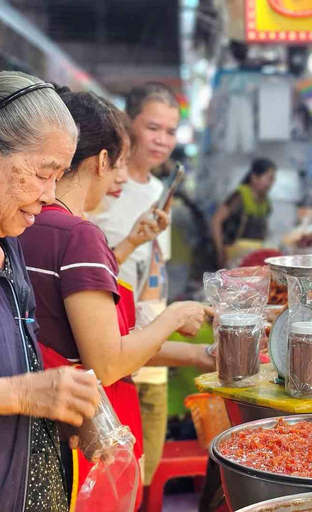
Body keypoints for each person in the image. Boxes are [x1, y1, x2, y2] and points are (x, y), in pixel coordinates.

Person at [19, 89, 214, 508]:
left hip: (40, 435)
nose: (120, 179)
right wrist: (176, 314)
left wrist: (197, 357)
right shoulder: (78, 235)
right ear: (101, 161)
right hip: (89, 438)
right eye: (119, 163)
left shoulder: (25, 224)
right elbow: (107, 361)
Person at [0, 71, 101, 512]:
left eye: (59, 175)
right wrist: (23, 395)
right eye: (43, 173)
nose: (50, 195)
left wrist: (59, 409)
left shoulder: (11, 247)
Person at [88, 81, 183, 488]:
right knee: (110, 482)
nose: (162, 141)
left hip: (150, 354)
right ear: (129, 123)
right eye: (153, 128)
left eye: (171, 131)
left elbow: (154, 272)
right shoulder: (104, 188)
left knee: (142, 476)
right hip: (107, 353)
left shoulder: (163, 191)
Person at [210, 158, 276, 267]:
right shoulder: (239, 197)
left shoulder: (265, 202)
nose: (271, 183)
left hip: (254, 256)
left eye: (272, 179)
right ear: (254, 178)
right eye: (268, 178)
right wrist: (220, 251)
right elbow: (216, 222)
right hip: (235, 256)